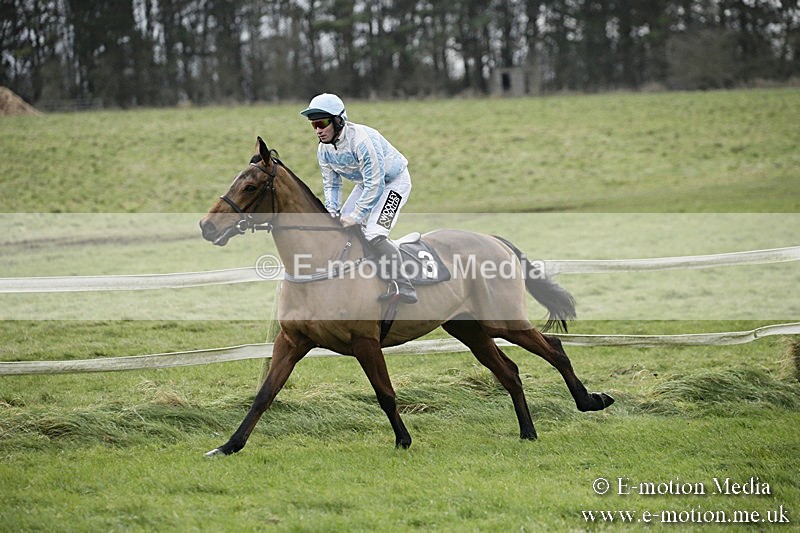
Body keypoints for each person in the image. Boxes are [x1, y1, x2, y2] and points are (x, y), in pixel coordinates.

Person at [300, 93, 417, 304]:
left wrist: (357, 215)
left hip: (394, 182)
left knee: (374, 233)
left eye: (322, 122)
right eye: (313, 124)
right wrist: (332, 213)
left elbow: (377, 184)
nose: (318, 129)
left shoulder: (362, 140)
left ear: (338, 121)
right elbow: (332, 184)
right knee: (339, 228)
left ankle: (404, 285)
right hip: (366, 184)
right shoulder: (323, 150)